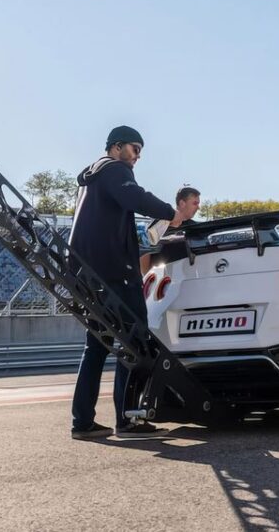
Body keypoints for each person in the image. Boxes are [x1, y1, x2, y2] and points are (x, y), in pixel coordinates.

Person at [68, 127, 187, 441]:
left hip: (89, 274)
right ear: (116, 147)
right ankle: (128, 420)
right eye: (135, 149)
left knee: (95, 347)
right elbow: (136, 197)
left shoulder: (90, 180)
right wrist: (171, 214)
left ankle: (83, 422)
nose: (137, 156)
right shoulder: (114, 170)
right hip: (116, 274)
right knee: (135, 344)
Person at [139, 186, 200, 274]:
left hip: (188, 278)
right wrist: (149, 277)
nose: (198, 207)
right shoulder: (159, 223)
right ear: (182, 203)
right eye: (195, 203)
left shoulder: (196, 228)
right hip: (161, 278)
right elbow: (144, 251)